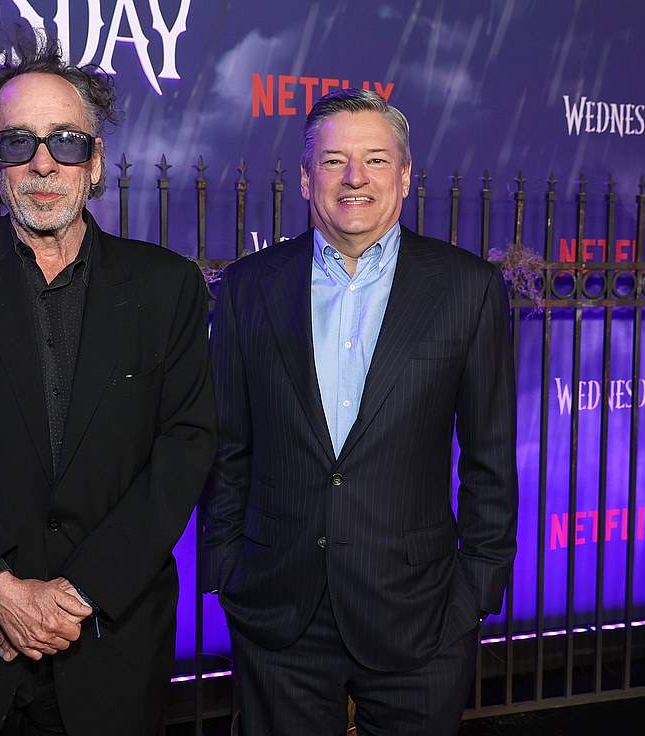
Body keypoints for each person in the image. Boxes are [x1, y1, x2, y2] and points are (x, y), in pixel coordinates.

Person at [0, 32, 216, 735]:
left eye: (66, 141)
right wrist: (3, 594)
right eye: (17, 143)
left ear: (96, 164)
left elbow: (183, 452)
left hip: (111, 647)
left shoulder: (167, 287)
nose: (42, 162)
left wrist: (72, 597)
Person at [201, 88, 518, 736]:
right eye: (335, 160)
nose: (354, 179)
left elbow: (491, 461)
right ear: (304, 176)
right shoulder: (248, 288)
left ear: (404, 176)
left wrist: (472, 599)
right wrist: (229, 575)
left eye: (375, 160)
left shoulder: (468, 290)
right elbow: (227, 447)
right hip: (279, 614)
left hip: (422, 618)